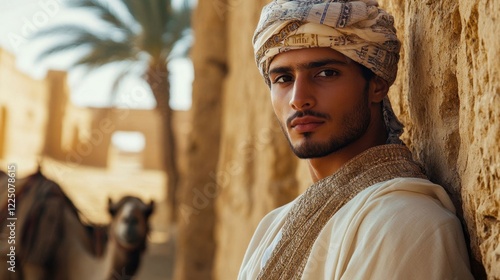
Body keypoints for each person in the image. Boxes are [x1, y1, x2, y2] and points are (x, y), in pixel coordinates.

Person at [238, 0, 474, 279]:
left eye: (326, 73)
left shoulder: (406, 223)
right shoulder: (273, 227)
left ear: (377, 84)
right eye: (283, 79)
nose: (298, 99)